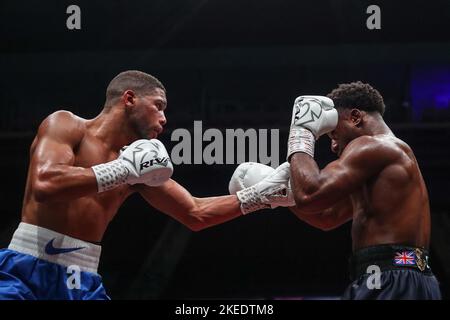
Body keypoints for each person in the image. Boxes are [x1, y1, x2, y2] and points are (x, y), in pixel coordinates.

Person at [0, 70, 293, 300]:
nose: (164, 119)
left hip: (82, 277)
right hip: (25, 266)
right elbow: (45, 183)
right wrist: (121, 170)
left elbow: (195, 213)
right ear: (129, 99)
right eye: (159, 106)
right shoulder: (66, 124)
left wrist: (258, 196)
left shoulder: (139, 167)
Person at [232, 82, 441, 299]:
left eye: (333, 134)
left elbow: (310, 194)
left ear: (355, 117)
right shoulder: (383, 163)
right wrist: (280, 194)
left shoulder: (374, 146)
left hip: (391, 277)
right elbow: (326, 217)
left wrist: (301, 133)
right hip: (397, 275)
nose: (333, 146)